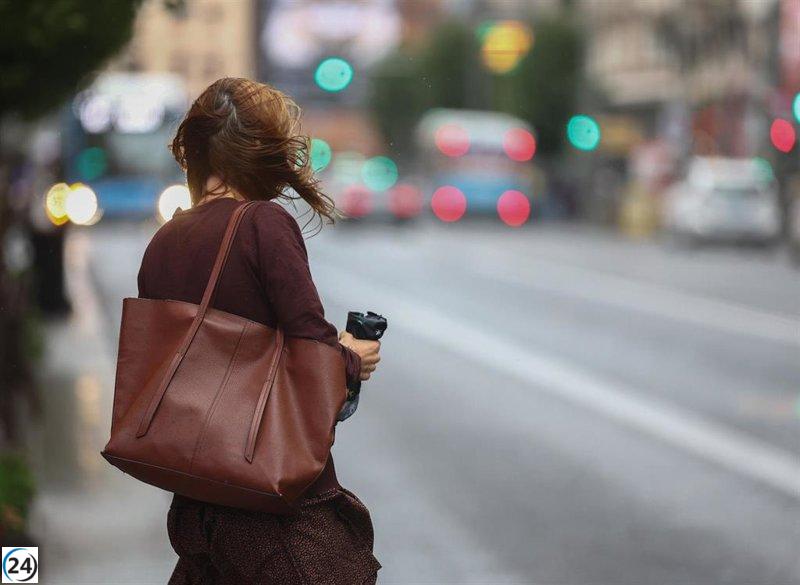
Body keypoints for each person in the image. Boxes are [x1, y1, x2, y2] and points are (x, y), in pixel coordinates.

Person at [136, 78, 382, 584]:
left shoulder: (164, 240)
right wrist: (352, 355)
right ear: (260, 153)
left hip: (195, 503)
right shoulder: (263, 225)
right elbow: (313, 357)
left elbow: (200, 352)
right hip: (267, 508)